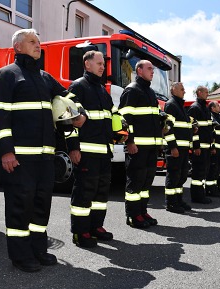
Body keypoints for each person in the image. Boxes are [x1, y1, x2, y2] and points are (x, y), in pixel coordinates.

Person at [0, 29, 85, 272]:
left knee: (41, 204)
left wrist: (79, 115)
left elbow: (68, 99)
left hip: (45, 156)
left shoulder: (45, 78)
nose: (37, 45)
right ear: (17, 47)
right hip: (19, 156)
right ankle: (20, 256)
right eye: (32, 42)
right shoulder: (6, 75)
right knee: (20, 205)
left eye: (39, 42)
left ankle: (38, 249)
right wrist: (6, 151)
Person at [67, 51, 121, 247]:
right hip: (86, 152)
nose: (102, 67)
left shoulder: (102, 90)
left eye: (103, 64)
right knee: (84, 192)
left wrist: (120, 130)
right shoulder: (78, 86)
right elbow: (69, 121)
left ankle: (95, 227)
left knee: (100, 193)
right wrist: (73, 148)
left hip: (104, 152)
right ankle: (80, 232)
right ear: (87, 64)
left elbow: (113, 117)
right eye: (98, 63)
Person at [119, 60, 162, 228]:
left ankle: (142, 211)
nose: (153, 71)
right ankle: (133, 215)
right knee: (135, 181)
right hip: (137, 146)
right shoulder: (132, 90)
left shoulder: (150, 92)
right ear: (139, 70)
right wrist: (129, 141)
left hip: (151, 147)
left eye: (153, 68)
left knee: (146, 182)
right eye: (150, 68)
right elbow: (124, 119)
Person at [163, 82, 193, 213]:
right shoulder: (171, 105)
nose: (184, 91)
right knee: (173, 176)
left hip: (183, 148)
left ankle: (178, 200)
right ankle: (171, 203)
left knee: (181, 176)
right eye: (182, 89)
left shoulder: (180, 106)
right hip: (175, 149)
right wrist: (172, 147)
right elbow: (167, 129)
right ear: (173, 90)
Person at [187, 85, 214, 204]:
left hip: (206, 146)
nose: (207, 94)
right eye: (206, 92)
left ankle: (201, 194)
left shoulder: (205, 108)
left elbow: (208, 129)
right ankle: (197, 196)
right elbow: (193, 129)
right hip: (200, 147)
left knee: (204, 171)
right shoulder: (194, 108)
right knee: (198, 172)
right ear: (199, 93)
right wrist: (196, 146)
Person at [205, 101, 220, 197]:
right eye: (217, 105)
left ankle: (214, 188)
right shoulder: (212, 117)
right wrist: (212, 146)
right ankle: (210, 189)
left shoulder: (218, 117)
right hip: (215, 148)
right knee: (213, 169)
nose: (219, 106)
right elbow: (211, 133)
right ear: (212, 108)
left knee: (217, 169)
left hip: (219, 147)